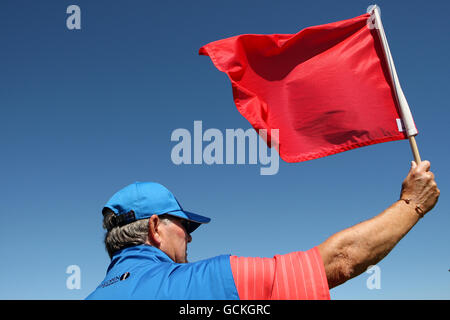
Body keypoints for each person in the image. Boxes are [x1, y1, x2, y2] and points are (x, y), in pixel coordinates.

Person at [86, 160, 439, 300]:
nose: (190, 236)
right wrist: (412, 205)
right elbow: (338, 262)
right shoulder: (209, 280)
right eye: (183, 224)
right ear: (154, 228)